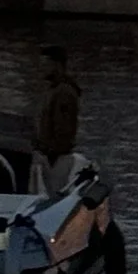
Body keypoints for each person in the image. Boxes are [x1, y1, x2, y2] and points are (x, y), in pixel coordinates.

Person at [33, 45, 82, 192]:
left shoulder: (64, 93)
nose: (42, 69)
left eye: (46, 65)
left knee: (55, 191)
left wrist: (51, 151)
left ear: (57, 65)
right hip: (51, 155)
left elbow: (63, 128)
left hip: (56, 157)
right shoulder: (54, 90)